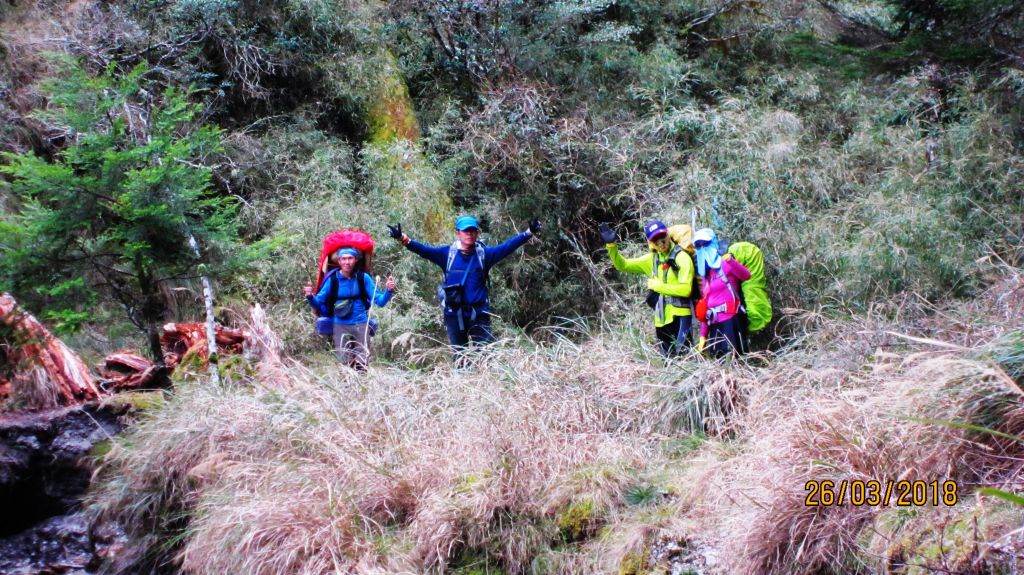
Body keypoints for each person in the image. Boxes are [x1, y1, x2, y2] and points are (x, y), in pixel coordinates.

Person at [387, 215, 541, 354]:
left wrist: (528, 232)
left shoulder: (485, 255)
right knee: (460, 356)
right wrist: (402, 237)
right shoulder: (447, 254)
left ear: (477, 233)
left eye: (473, 231)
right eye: (466, 231)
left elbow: (508, 247)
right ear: (457, 233)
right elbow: (424, 250)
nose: (470, 234)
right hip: (454, 314)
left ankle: (484, 383)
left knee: (486, 354)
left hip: (479, 314)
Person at [600, 220, 697, 356]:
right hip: (661, 319)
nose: (660, 242)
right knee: (668, 361)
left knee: (685, 357)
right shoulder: (652, 259)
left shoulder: (682, 258)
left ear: (668, 234)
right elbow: (623, 265)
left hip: (680, 316)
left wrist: (658, 286)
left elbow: (686, 290)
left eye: (662, 236)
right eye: (655, 239)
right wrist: (611, 246)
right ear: (651, 242)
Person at [303, 248, 396, 370]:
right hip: (340, 325)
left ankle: (362, 387)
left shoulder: (363, 278)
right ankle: (346, 387)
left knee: (362, 364)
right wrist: (310, 296)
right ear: (339, 261)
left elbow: (380, 301)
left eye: (350, 258)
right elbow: (317, 303)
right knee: (345, 364)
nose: (347, 262)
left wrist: (388, 291)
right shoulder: (333, 280)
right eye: (344, 259)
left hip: (361, 324)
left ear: (356, 260)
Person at [693, 228, 750, 357]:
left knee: (735, 361)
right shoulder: (705, 274)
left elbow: (746, 275)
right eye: (698, 245)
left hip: (731, 322)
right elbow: (706, 304)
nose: (702, 248)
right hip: (714, 324)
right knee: (719, 364)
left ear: (713, 243)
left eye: (705, 244)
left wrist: (730, 260)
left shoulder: (725, 263)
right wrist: (703, 335)